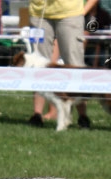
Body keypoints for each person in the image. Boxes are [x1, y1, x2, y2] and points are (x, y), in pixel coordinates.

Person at [28, 0, 90, 128]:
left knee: (75, 65)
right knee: (39, 66)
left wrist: (84, 10)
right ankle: (37, 115)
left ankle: (83, 116)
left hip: (70, 13)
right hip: (39, 12)